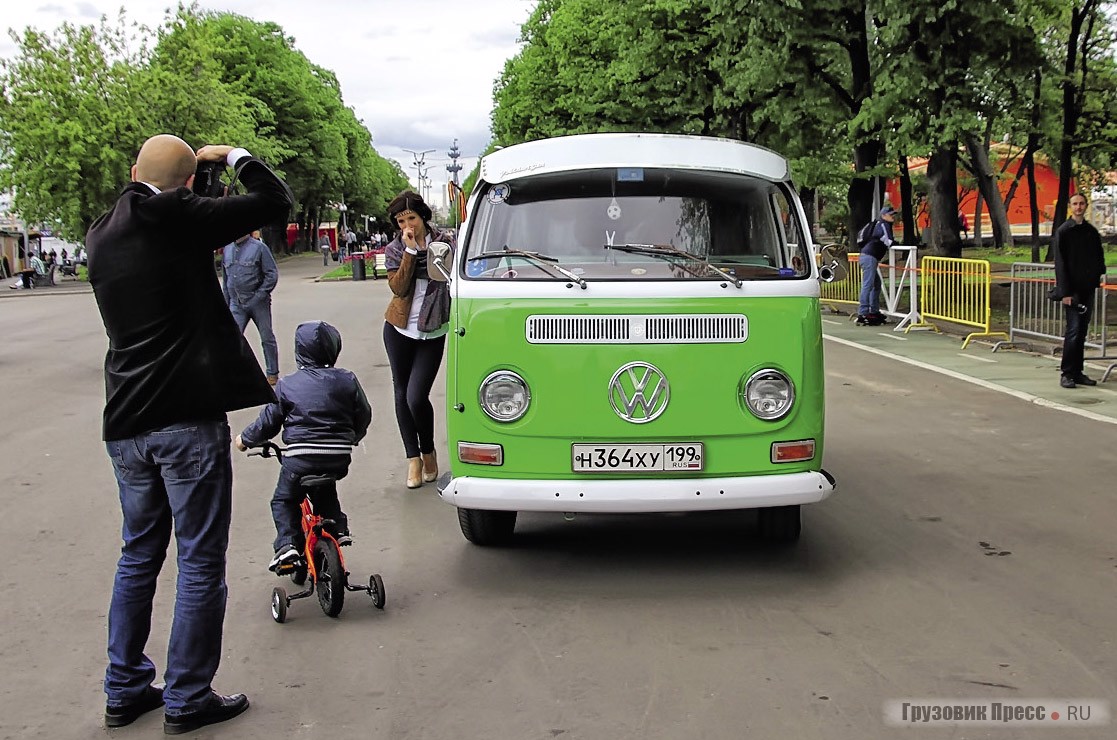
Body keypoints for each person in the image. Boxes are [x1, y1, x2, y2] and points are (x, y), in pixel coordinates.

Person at [86, 134, 292, 733]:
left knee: (138, 555)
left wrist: (186, 179)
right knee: (200, 561)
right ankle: (187, 696)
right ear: (185, 183)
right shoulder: (177, 216)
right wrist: (228, 157)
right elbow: (271, 199)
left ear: (132, 172)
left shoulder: (103, 231)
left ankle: (123, 687)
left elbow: (166, 212)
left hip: (125, 421)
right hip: (183, 420)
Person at [234, 321, 372, 570]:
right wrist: (354, 436)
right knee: (325, 487)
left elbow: (268, 422)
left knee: (284, 499)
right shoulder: (347, 379)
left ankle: (287, 546)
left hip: (301, 457)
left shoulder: (287, 385)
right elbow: (363, 413)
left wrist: (245, 439)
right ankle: (337, 528)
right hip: (338, 456)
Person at [382, 190, 453, 488]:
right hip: (399, 328)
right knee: (401, 393)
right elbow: (398, 288)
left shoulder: (445, 243)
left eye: (411, 218)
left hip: (433, 330)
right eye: (400, 221)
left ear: (422, 216)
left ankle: (429, 451)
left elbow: (449, 275)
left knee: (416, 396)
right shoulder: (395, 249)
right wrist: (411, 253)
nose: (407, 226)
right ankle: (413, 458)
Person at [1052, 193, 1106, 389]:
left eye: (1082, 203)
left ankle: (1078, 371)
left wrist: (1098, 274)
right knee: (1073, 331)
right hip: (1071, 290)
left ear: (1086, 206)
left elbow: (1098, 257)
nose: (1078, 207)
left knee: (1082, 331)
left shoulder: (1091, 231)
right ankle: (1067, 373)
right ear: (1070, 206)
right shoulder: (1064, 231)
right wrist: (1064, 292)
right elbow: (1061, 263)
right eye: (1075, 204)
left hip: (1088, 287)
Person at [222, 231, 280, 384]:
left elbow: (272, 274)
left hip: (257, 302)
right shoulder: (227, 249)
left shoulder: (259, 248)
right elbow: (226, 281)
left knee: (266, 338)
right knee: (232, 339)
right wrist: (226, 303)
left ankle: (272, 373)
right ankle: (233, 373)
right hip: (236, 303)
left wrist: (260, 295)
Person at [856, 205, 896, 326]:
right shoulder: (882, 224)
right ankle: (863, 312)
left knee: (876, 284)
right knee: (868, 284)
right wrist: (894, 243)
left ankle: (873, 310)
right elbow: (887, 240)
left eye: (893, 214)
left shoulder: (880, 224)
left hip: (867, 256)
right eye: (890, 215)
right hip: (870, 257)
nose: (893, 217)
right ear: (883, 215)